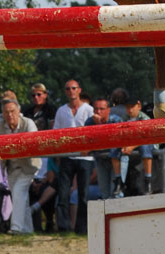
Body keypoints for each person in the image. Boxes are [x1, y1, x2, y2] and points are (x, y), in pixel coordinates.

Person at [0, 99, 40, 234]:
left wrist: (9, 147)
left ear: (19, 111)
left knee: (18, 192)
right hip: (11, 167)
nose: (10, 115)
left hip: (29, 166)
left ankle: (16, 228)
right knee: (20, 198)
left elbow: (32, 142)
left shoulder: (28, 123)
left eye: (12, 111)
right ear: (2, 114)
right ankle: (28, 230)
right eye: (6, 112)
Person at [53, 78, 94, 233]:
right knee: (63, 193)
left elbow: (93, 133)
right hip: (67, 156)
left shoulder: (89, 109)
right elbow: (56, 132)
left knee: (83, 195)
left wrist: (89, 149)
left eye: (73, 88)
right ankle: (63, 227)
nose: (71, 91)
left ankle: (82, 228)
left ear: (79, 90)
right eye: (68, 89)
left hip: (85, 157)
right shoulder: (61, 110)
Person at [84, 96, 123, 200]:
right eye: (96, 109)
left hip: (116, 160)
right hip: (101, 159)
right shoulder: (89, 122)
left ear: (108, 110)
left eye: (102, 109)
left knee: (116, 192)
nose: (98, 111)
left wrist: (99, 125)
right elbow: (87, 141)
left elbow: (114, 141)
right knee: (104, 192)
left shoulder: (116, 121)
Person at [120, 94, 155, 195]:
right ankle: (120, 181)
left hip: (145, 146)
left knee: (144, 148)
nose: (130, 109)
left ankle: (148, 179)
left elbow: (145, 137)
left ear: (138, 106)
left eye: (132, 106)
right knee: (119, 152)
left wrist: (130, 147)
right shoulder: (123, 118)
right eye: (127, 107)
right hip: (132, 148)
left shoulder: (145, 118)